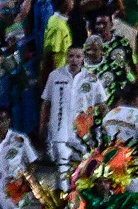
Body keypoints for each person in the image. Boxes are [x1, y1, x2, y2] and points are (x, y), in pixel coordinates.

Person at [40, 43, 107, 189]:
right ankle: (65, 199)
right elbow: (46, 103)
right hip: (59, 131)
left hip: (83, 134)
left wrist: (107, 127)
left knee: (84, 170)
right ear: (66, 57)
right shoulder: (55, 76)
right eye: (71, 56)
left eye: (78, 56)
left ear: (83, 58)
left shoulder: (91, 79)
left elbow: (102, 105)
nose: (74, 60)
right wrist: (42, 125)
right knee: (62, 168)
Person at [101, 80, 138, 208]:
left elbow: (103, 143)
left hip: (114, 169)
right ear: (137, 96)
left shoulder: (109, 116)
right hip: (136, 169)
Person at [0, 106, 38, 209]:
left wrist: (26, 182)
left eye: (1, 119)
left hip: (13, 184)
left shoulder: (19, 139)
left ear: (9, 120)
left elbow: (32, 162)